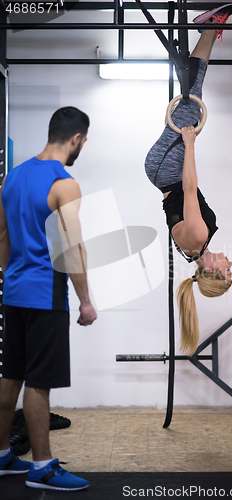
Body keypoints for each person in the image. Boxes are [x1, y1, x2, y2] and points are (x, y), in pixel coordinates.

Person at [0, 106, 97, 491]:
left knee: (10, 375)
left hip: (14, 293)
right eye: (83, 143)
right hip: (45, 295)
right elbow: (71, 247)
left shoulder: (13, 177)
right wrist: (85, 300)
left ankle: (3, 454)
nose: (81, 148)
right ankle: (42, 467)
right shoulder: (64, 183)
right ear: (76, 139)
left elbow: (2, 238)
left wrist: (11, 278)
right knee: (39, 383)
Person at [145, 5, 232, 356]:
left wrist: (189, 144)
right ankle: (210, 31)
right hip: (162, 173)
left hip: (166, 170)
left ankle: (209, 28)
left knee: (192, 105)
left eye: (227, 272)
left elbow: (187, 188)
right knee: (192, 93)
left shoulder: (197, 239)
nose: (230, 265)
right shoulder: (192, 250)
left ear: (212, 271)